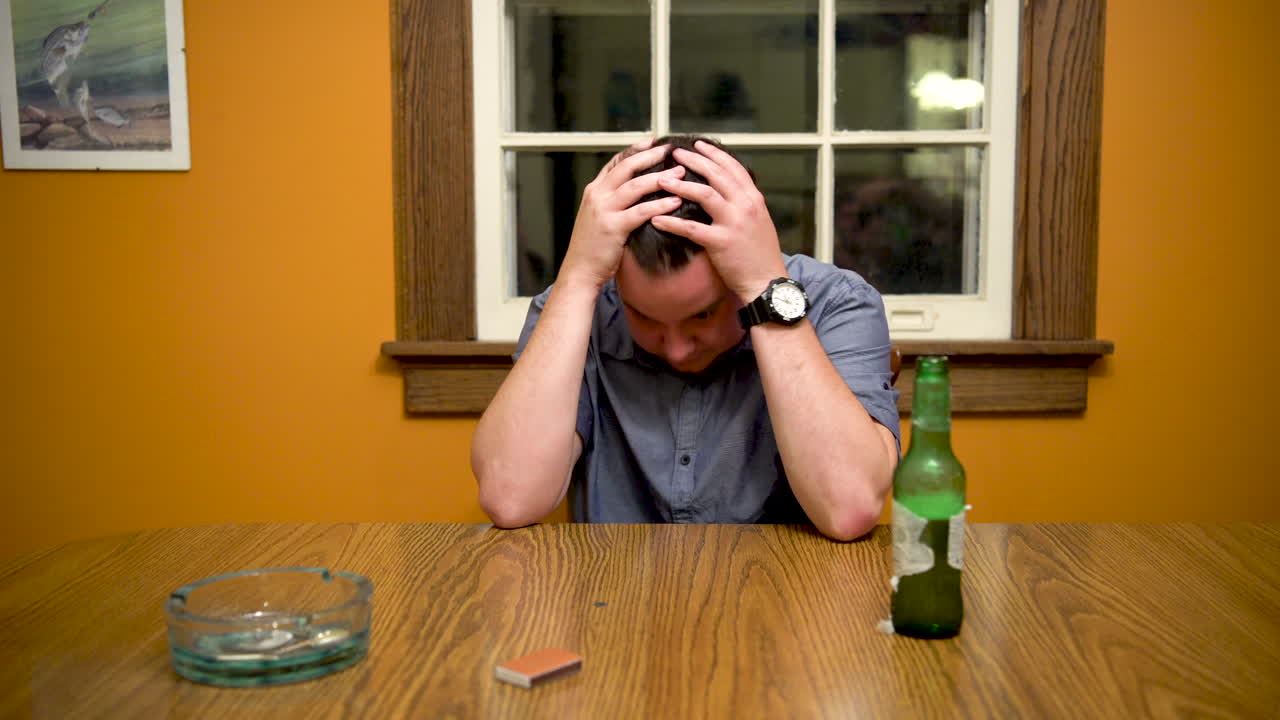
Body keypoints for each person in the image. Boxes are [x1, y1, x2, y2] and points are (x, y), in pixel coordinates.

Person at [471, 135, 900, 541]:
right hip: (614, 586)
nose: (676, 350)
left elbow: (849, 509)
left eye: (704, 315)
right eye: (644, 317)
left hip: (787, 588)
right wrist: (579, 276)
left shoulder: (837, 302)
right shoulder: (577, 304)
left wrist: (763, 286)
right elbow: (511, 499)